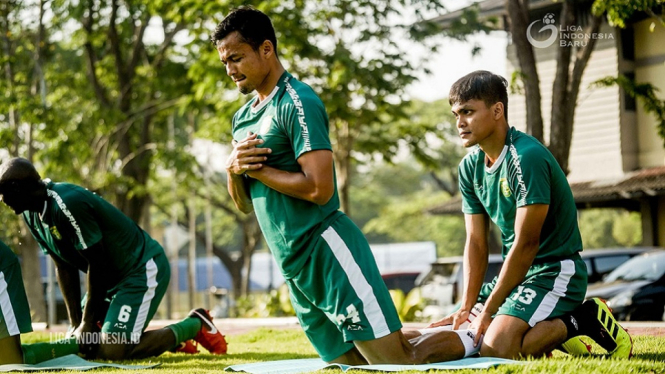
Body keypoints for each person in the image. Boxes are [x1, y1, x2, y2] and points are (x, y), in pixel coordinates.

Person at [213, 6, 485, 365]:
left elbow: (319, 189)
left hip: (327, 249)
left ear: (266, 49)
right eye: (224, 62)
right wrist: (234, 171)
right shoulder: (243, 117)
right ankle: (438, 331)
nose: (230, 70)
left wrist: (258, 171)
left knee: (395, 360)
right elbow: (245, 205)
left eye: (236, 58)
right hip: (293, 265)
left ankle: (472, 335)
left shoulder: (298, 102)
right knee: (351, 363)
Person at [430, 70, 633, 359]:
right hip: (518, 275)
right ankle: (542, 327)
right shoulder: (469, 168)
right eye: (455, 114)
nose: (459, 122)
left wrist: (487, 311)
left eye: (468, 112)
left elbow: (527, 244)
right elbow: (476, 242)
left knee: (497, 347)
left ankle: (581, 319)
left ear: (497, 110)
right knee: (455, 335)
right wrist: (467, 305)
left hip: (555, 270)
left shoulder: (527, 158)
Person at [0, 158, 227, 360]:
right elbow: (63, 266)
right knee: (86, 346)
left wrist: (88, 324)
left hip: (140, 269)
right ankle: (165, 340)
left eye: (3, 193)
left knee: (110, 350)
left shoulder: (66, 203)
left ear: (17, 188)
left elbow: (97, 263)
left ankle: (195, 324)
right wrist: (76, 324)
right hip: (108, 279)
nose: (2, 200)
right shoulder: (31, 213)